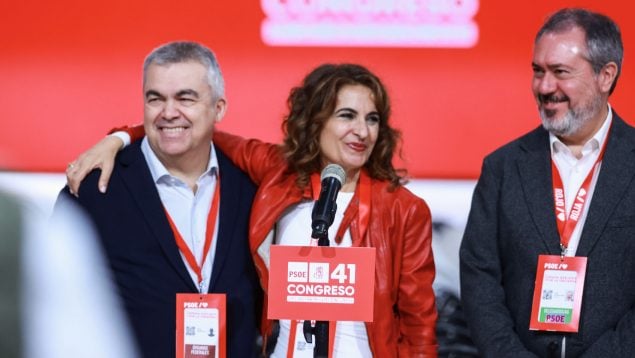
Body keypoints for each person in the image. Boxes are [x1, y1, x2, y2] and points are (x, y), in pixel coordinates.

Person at [67, 63, 438, 356]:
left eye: (372, 119)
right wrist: (119, 137)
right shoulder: (278, 173)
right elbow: (192, 129)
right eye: (346, 116)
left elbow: (420, 322)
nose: (362, 131)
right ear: (316, 121)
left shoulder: (403, 209)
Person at [57, 41, 261, 357]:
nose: (168, 112)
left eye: (185, 98)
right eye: (155, 99)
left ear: (218, 108)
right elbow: (56, 306)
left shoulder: (254, 188)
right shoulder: (94, 190)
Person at [460, 8, 635, 357]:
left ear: (606, 75)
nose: (544, 87)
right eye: (537, 71)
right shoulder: (503, 167)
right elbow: (479, 279)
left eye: (560, 72)